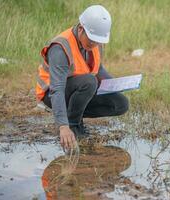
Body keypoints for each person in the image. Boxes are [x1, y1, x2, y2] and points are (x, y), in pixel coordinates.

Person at [35, 5, 129, 150]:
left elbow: (98, 69)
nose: (95, 45)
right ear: (80, 29)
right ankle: (73, 125)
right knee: (89, 82)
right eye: (92, 41)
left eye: (98, 42)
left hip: (79, 89)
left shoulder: (95, 41)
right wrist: (63, 126)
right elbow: (57, 89)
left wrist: (117, 85)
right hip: (51, 94)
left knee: (120, 103)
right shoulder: (61, 47)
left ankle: (73, 115)